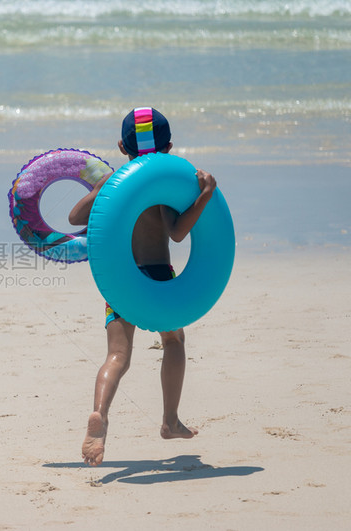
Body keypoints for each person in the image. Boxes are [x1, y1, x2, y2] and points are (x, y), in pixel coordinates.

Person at [67, 107, 218, 467]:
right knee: (173, 340)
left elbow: (74, 218)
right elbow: (178, 233)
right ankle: (169, 420)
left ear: (122, 146)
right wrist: (205, 195)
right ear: (169, 147)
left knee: (118, 356)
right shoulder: (160, 187)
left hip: (119, 281)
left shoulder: (114, 183)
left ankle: (100, 415)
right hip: (156, 276)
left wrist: (103, 186)